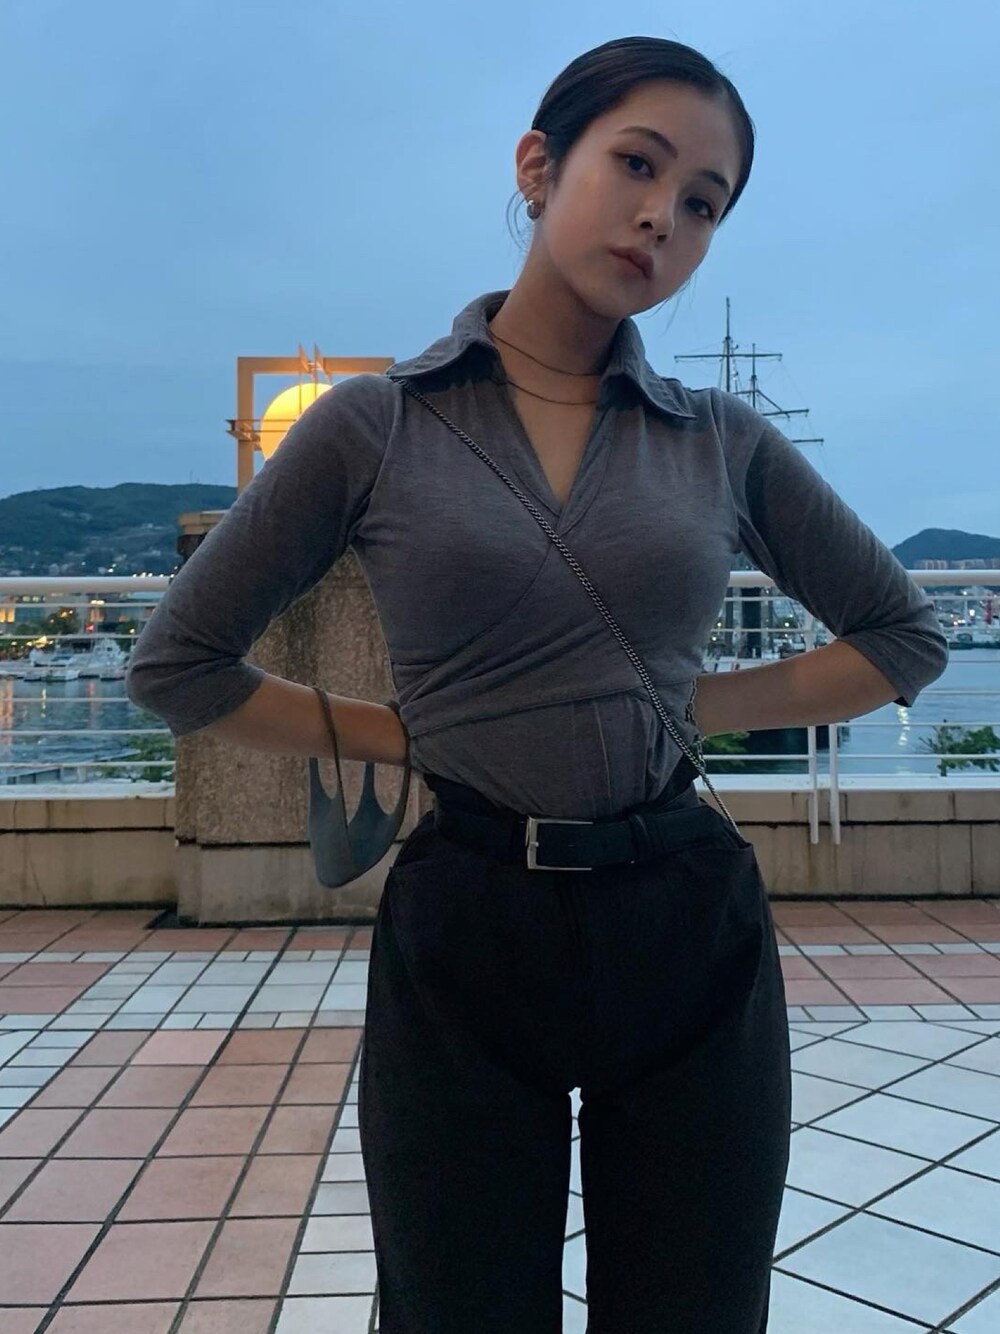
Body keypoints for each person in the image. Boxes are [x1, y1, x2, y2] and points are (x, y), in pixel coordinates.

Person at [126, 35, 949, 1333]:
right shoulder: (377, 424)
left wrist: (694, 704)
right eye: (638, 164)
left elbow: (901, 637)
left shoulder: (718, 440)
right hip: (469, 912)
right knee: (456, 1306)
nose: (662, 217)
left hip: (683, 915)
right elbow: (177, 665)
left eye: (704, 202)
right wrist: (406, 735)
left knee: (695, 1307)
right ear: (538, 164)